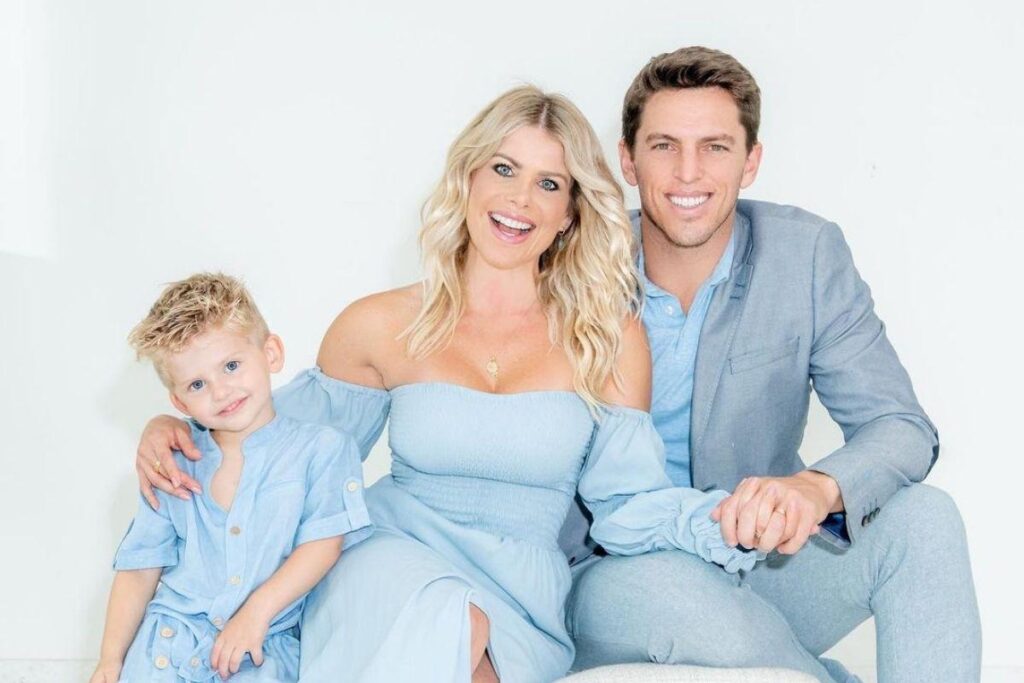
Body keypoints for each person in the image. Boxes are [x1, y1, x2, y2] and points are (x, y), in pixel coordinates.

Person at [131, 86, 762, 682]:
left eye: (548, 183)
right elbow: (275, 445)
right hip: (388, 560)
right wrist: (174, 430)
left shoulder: (607, 337)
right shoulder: (379, 324)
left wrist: (728, 520)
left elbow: (628, 506)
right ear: (467, 179)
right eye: (503, 169)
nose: (520, 199)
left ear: (570, 213)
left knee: (469, 633)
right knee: (452, 620)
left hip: (522, 595)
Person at [562, 46, 982, 682]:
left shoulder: (805, 255)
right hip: (613, 572)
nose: (687, 172)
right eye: (664, 146)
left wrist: (816, 487)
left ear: (751, 161)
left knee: (926, 519)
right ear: (627, 159)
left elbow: (901, 427)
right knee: (678, 593)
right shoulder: (570, 264)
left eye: (715, 147)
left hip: (758, 558)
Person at [91, 273, 371, 683]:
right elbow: (139, 569)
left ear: (271, 353)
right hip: (166, 648)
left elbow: (323, 544)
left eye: (232, 366)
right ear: (179, 401)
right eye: (198, 384)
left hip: (259, 649)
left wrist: (256, 612)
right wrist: (110, 660)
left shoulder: (322, 450)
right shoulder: (173, 464)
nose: (221, 391)